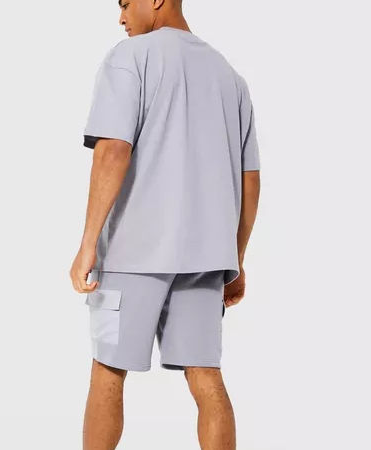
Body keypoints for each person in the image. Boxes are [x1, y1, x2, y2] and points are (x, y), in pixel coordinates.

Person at [69, 0, 261, 448]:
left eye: (124, 3)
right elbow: (249, 179)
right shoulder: (229, 76)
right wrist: (236, 258)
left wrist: (88, 243)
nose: (120, 17)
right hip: (206, 260)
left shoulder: (130, 57)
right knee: (207, 378)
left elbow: (113, 151)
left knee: (108, 371)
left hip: (132, 254)